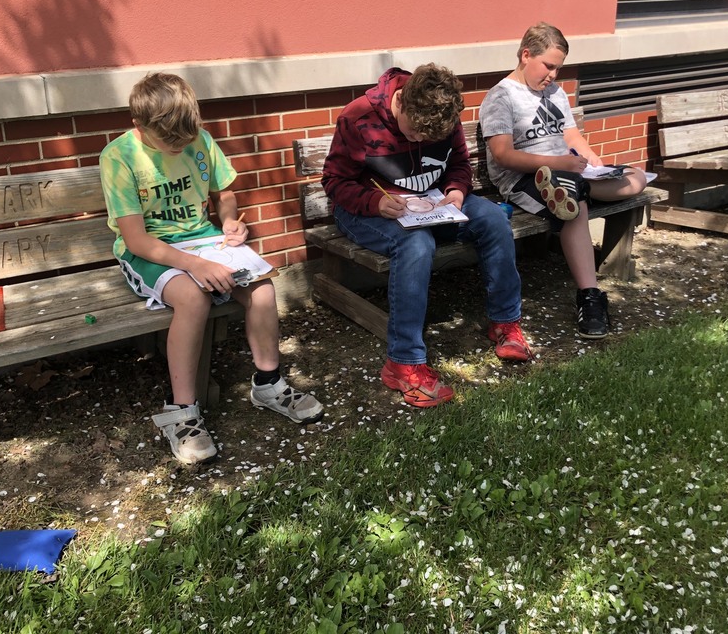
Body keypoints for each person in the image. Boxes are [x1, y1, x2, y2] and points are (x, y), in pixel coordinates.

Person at [99, 72, 323, 464]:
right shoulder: (118, 157)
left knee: (263, 287)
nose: (180, 147)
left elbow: (225, 194)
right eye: (169, 144)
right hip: (151, 251)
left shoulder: (200, 138)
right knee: (192, 298)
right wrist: (195, 265)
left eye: (186, 140)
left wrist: (231, 222)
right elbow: (136, 240)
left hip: (203, 239)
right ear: (139, 125)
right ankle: (181, 412)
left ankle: (268, 383)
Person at [322, 63, 532, 408]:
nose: (419, 141)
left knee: (493, 219)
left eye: (427, 138)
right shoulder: (358, 117)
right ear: (402, 102)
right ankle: (403, 363)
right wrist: (375, 201)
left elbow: (459, 165)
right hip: (367, 209)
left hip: (434, 203)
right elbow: (334, 182)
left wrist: (456, 191)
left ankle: (505, 324)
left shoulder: (441, 115)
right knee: (416, 243)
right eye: (415, 133)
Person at [480, 22, 648, 339]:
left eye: (558, 68)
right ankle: (589, 296)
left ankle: (574, 186)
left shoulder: (555, 92)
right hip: (524, 178)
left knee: (636, 177)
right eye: (549, 66)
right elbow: (503, 155)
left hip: (567, 169)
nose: (553, 75)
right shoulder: (501, 97)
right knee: (575, 204)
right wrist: (560, 163)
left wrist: (594, 161)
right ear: (526, 54)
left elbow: (570, 134)